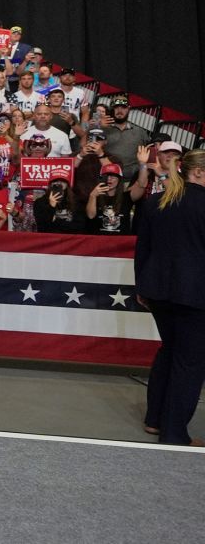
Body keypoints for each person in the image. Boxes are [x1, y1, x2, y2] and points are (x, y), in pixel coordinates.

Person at [135, 149, 205, 446]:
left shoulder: (156, 201)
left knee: (170, 350)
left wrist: (141, 288)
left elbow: (143, 249)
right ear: (198, 172)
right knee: (190, 361)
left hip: (157, 291)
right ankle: (175, 432)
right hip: (195, 294)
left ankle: (155, 419)